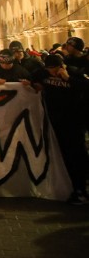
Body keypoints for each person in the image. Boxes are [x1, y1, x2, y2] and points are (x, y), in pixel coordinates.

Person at [29, 54, 88, 205]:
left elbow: (85, 87)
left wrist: (68, 78)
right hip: (56, 121)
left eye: (55, 70)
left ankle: (81, 188)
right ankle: (73, 188)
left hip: (74, 121)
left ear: (62, 67)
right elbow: (32, 78)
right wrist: (34, 85)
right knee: (65, 155)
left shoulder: (75, 73)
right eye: (50, 70)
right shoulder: (43, 73)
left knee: (77, 154)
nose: (52, 73)